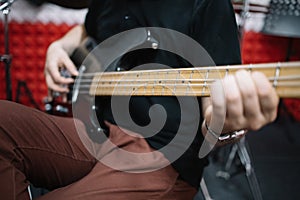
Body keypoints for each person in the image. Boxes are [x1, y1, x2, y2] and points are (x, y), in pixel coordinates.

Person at [0, 0, 279, 199]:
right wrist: (59, 45)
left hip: (162, 156)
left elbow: (213, 112)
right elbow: (89, 29)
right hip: (100, 129)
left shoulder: (207, 4)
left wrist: (226, 118)